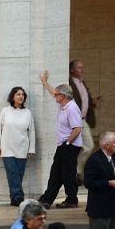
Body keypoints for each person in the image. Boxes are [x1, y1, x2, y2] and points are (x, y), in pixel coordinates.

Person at [36, 76, 83, 209]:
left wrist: (67, 143)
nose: (54, 96)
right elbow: (53, 92)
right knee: (57, 172)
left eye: (57, 94)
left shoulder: (72, 108)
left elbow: (77, 129)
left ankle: (70, 199)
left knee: (66, 173)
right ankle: (48, 199)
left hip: (69, 145)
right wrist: (45, 83)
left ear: (63, 96)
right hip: (64, 145)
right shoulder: (63, 104)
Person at [0, 86, 36, 205]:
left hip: (22, 147)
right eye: (18, 94)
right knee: (12, 172)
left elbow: (31, 131)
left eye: (22, 94)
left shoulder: (27, 112)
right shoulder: (5, 111)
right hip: (7, 147)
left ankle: (14, 199)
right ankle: (19, 197)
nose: (21, 96)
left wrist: (31, 148)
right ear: (12, 97)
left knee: (19, 174)